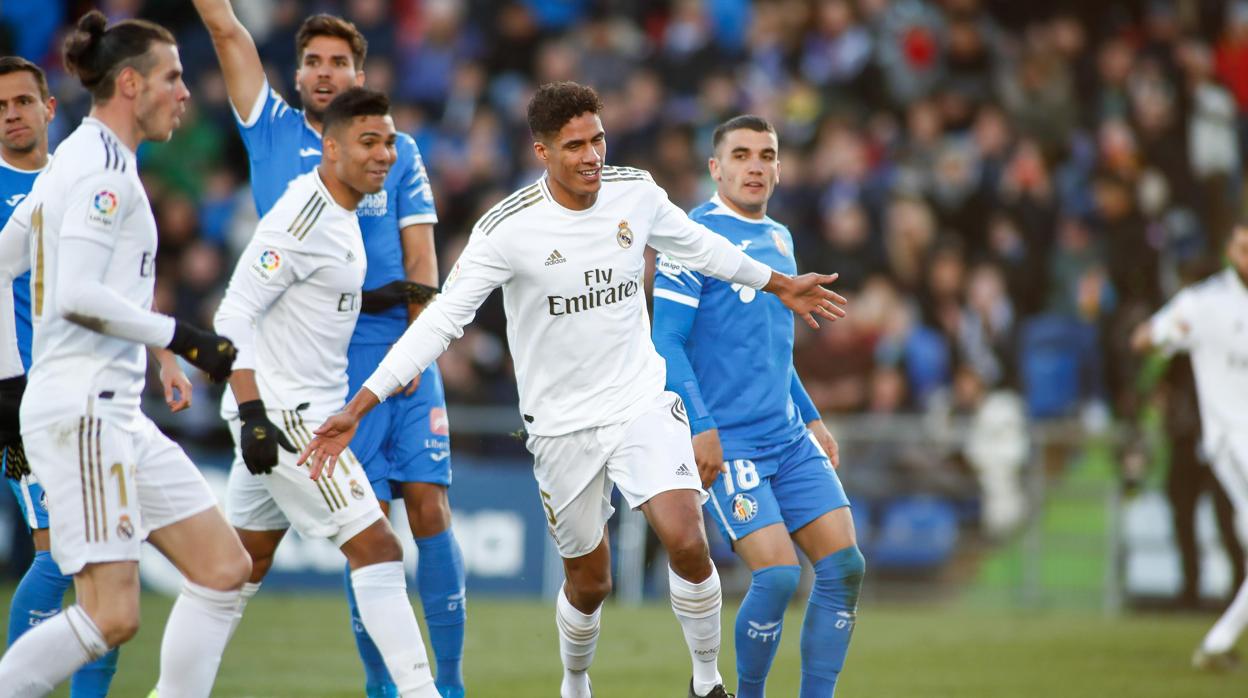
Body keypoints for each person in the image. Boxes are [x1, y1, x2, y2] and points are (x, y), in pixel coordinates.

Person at [300, 81, 847, 698]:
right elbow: (442, 321)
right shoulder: (507, 230)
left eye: (598, 140)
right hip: (561, 426)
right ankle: (575, 680)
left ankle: (704, 682)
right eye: (574, 146)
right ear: (542, 151)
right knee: (590, 582)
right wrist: (361, 403)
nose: (591, 156)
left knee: (688, 538)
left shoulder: (635, 193)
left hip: (639, 399)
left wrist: (779, 284)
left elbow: (703, 248)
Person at [191, 5, 463, 694]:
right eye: (313, 60)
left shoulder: (380, 164)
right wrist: (250, 407)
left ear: (361, 74)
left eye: (338, 62)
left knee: (238, 567)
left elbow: (419, 253)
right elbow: (235, 313)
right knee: (371, 537)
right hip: (295, 386)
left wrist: (417, 336)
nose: (324, 72)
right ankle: (407, 689)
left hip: (369, 351)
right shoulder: (296, 175)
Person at [0, 12, 250, 696]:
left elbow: (4, 258)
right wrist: (181, 337)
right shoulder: (103, 174)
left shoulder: (74, 160)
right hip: (84, 411)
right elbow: (76, 293)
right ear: (132, 83)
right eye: (172, 78)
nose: (185, 92)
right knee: (112, 615)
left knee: (225, 570)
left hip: (112, 413)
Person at [651, 115, 864, 698]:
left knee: (845, 567)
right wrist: (701, 428)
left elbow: (773, 349)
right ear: (715, 168)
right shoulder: (691, 238)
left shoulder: (780, 238)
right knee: (775, 576)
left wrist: (813, 415)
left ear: (779, 168)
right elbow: (665, 339)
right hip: (732, 440)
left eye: (766, 155)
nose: (755, 165)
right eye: (741, 155)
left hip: (789, 436)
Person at [0, 53, 124, 698]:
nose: (12, 115)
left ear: (50, 109)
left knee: (102, 568)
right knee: (61, 557)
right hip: (26, 403)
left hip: (96, 396)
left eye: (22, 101)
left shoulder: (80, 178)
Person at [1131, 224, 1248, 671]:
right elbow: (1147, 336)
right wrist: (1151, 336)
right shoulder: (1205, 303)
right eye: (1242, 246)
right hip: (1231, 441)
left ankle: (1219, 643)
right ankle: (1217, 641)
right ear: (1229, 249)